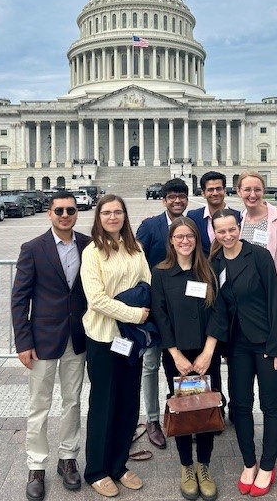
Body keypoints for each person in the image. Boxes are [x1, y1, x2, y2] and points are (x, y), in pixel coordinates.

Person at [11, 190, 90, 501]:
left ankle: (68, 457)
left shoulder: (88, 244)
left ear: (77, 212)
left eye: (70, 209)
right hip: (43, 338)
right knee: (39, 405)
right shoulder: (32, 248)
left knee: (72, 401)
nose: (65, 215)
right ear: (49, 213)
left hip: (77, 336)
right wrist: (23, 342)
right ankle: (36, 465)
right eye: (59, 210)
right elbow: (20, 299)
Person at [207, 209, 277, 497]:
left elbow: (275, 300)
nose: (227, 236)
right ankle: (249, 462)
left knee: (270, 404)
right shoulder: (214, 262)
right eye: (221, 231)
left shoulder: (258, 256)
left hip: (266, 341)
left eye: (232, 230)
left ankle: (267, 465)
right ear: (214, 233)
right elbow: (216, 307)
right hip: (238, 344)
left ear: (239, 228)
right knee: (240, 404)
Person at [81, 194, 151, 498]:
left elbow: (147, 285)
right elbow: (96, 300)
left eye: (118, 212)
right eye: (107, 212)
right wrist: (133, 313)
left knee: (127, 403)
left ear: (125, 216)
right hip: (104, 338)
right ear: (99, 217)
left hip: (131, 339)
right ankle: (96, 469)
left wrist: (138, 310)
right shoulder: (92, 252)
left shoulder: (135, 249)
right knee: (103, 403)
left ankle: (119, 464)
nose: (113, 217)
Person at [151, 216, 220, 501]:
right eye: (178, 236)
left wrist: (208, 351)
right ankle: (186, 467)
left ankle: (204, 466)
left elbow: (219, 311)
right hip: (177, 355)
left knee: (204, 409)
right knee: (181, 409)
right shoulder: (162, 273)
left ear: (196, 239)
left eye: (189, 236)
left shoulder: (209, 269)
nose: (184, 241)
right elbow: (160, 315)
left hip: (206, 354)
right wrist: (175, 353)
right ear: (171, 241)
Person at [237, 171, 277, 458]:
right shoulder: (239, 221)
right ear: (239, 191)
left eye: (257, 189)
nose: (252, 194)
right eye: (247, 189)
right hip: (250, 307)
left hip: (275, 301)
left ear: (263, 191)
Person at [136, 178, 189, 450]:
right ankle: (153, 419)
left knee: (182, 362)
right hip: (155, 308)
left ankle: (186, 410)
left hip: (184, 310)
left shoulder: (192, 226)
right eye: (172, 197)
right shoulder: (149, 226)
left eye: (181, 196)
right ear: (164, 200)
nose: (177, 201)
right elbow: (134, 257)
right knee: (150, 365)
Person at [187, 171, 241, 256]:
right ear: (203, 194)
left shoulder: (239, 217)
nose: (215, 193)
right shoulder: (193, 217)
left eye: (218, 189)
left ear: (225, 191)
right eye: (210, 190)